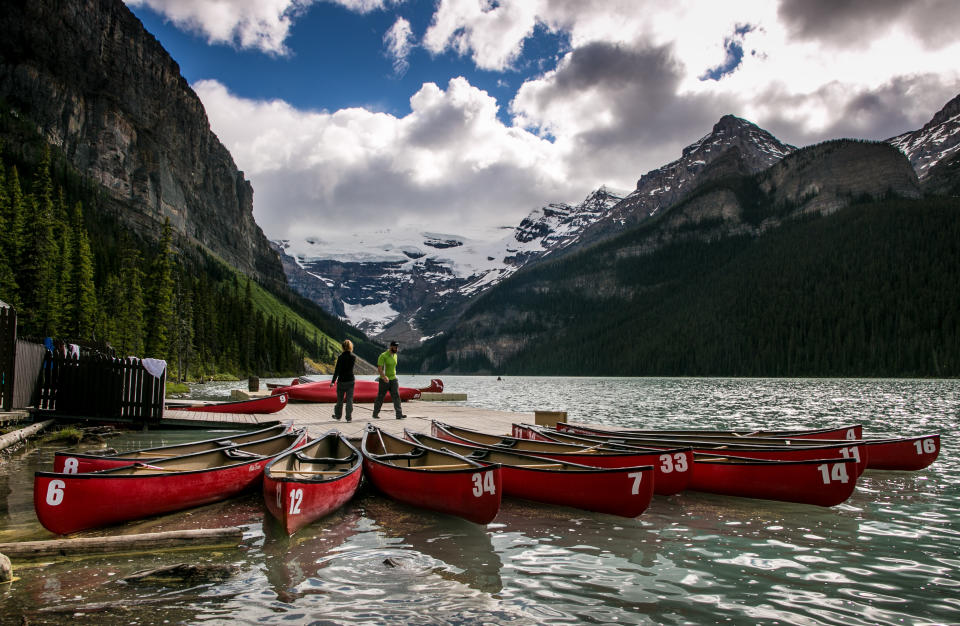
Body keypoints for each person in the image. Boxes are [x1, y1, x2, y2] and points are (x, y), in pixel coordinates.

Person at [372, 341, 406, 419]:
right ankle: (375, 413)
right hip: (384, 380)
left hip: (394, 379)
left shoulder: (395, 355)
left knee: (396, 396)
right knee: (380, 397)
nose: (396, 349)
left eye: (397, 347)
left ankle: (399, 414)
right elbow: (379, 368)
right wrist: (384, 377)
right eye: (395, 347)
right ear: (390, 347)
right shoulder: (383, 356)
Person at [330, 339, 356, 422]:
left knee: (340, 400)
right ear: (350, 347)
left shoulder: (340, 357)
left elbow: (337, 370)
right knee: (349, 400)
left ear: (342, 347)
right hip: (350, 380)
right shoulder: (353, 357)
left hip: (341, 381)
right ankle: (349, 418)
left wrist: (333, 381)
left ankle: (338, 416)